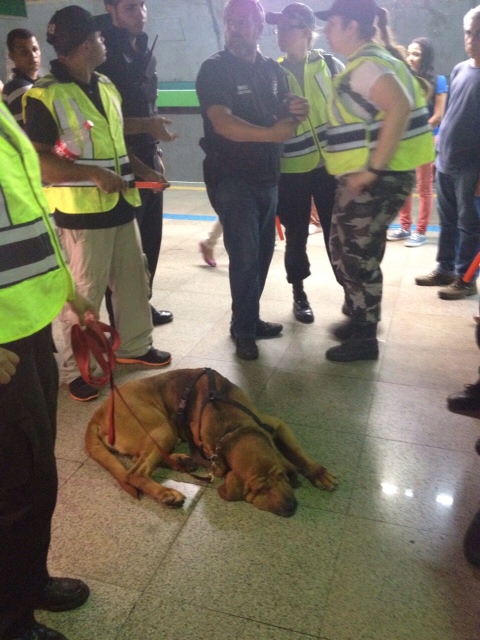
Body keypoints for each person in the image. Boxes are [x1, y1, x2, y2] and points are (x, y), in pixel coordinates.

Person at [23, 5, 172, 402]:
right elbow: (40, 163)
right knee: (84, 293)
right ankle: (78, 368)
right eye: (99, 37)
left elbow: (117, 146)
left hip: (121, 205)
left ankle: (135, 347)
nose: (104, 41)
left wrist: (145, 169)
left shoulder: (105, 85)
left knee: (132, 281)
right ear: (86, 44)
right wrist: (90, 175)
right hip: (80, 215)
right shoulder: (44, 96)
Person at [0, 99, 92, 640]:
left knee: (36, 474)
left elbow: (26, 211)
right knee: (15, 486)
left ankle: (29, 582)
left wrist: (67, 291)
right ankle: (10, 623)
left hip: (29, 323)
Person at [315, 0, 434, 362]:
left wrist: (372, 170)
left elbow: (397, 105)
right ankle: (357, 317)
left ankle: (364, 338)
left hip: (377, 179)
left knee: (357, 257)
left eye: (332, 24)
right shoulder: (374, 59)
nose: (326, 31)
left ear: (352, 26)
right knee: (345, 249)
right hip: (371, 178)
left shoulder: (367, 65)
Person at [196, 0, 308, 360]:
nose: (235, 27)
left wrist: (294, 113)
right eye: (231, 21)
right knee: (244, 256)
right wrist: (273, 134)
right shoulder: (214, 70)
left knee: (261, 255)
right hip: (231, 179)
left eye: (244, 21)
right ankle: (243, 329)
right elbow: (222, 123)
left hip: (267, 177)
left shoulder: (271, 72)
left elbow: (280, 118)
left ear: (260, 26)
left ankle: (251, 318)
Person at [97, 0, 176, 327]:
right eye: (130, 7)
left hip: (147, 152)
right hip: (117, 162)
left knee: (150, 238)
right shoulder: (102, 54)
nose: (140, 13)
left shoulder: (143, 48)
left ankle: (142, 303)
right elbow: (103, 121)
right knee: (125, 245)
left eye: (143, 5)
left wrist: (155, 151)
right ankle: (121, 318)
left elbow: (149, 106)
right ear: (110, 8)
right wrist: (147, 126)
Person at [266, 3, 343, 324]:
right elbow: (264, 114)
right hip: (292, 170)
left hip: (330, 168)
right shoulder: (271, 71)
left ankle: (352, 293)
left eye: (287, 27)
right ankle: (298, 291)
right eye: (278, 28)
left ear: (307, 32)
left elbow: (349, 109)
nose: (280, 34)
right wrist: (282, 111)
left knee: (336, 233)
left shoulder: (329, 64)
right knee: (296, 235)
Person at [415, 5, 480, 299]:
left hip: (472, 166)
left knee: (470, 224)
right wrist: (440, 150)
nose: (472, 39)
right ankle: (445, 269)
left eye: (478, 34)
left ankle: (466, 279)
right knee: (449, 219)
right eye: (469, 33)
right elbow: (453, 112)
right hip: (447, 160)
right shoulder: (460, 69)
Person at [387, 37, 448, 247]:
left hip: (426, 138)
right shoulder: (404, 78)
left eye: (417, 54)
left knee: (423, 187)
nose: (411, 58)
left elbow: (438, 116)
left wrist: (417, 132)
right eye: (410, 53)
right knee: (404, 184)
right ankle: (404, 227)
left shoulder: (438, 81)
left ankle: (420, 231)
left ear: (426, 57)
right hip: (405, 139)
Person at [2, 29, 41, 127]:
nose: (32, 55)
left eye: (35, 49)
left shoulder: (40, 82)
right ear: (12, 57)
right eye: (24, 52)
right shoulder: (18, 88)